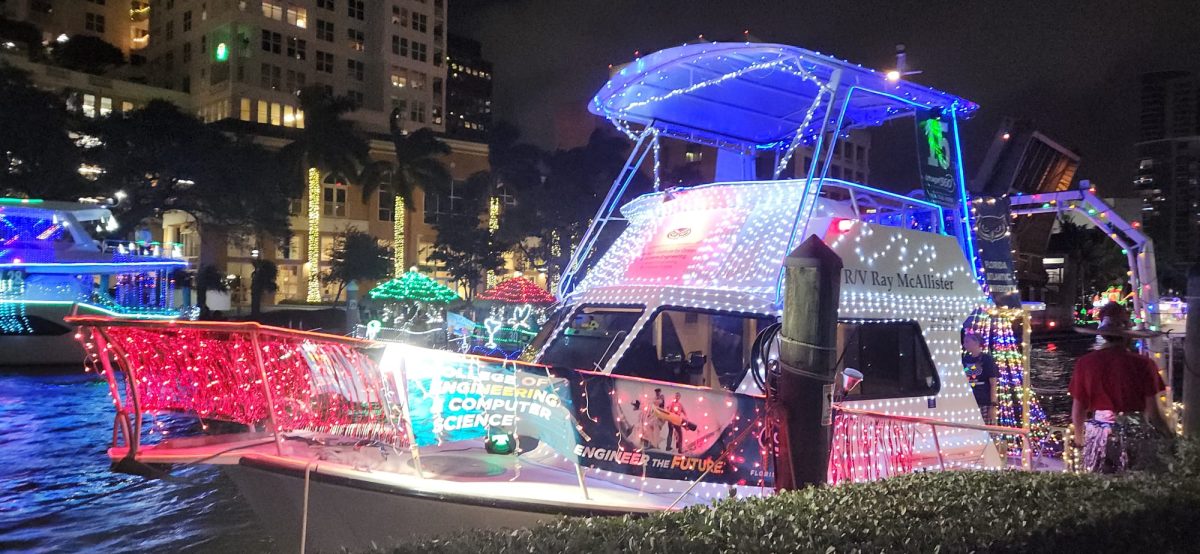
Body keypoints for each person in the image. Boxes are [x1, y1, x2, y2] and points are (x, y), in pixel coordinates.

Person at [1069, 302, 1172, 473]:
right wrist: (1170, 437)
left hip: (1098, 436)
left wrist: (1080, 441)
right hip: (1136, 435)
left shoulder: (1085, 363)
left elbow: (1078, 410)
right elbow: (1154, 414)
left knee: (1101, 487)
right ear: (1129, 335)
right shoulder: (1144, 364)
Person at [962, 332, 999, 424]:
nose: (964, 344)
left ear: (976, 342)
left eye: (967, 342)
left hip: (984, 401)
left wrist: (993, 405)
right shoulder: (965, 359)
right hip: (969, 401)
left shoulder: (987, 359)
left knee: (988, 429)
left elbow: (993, 383)